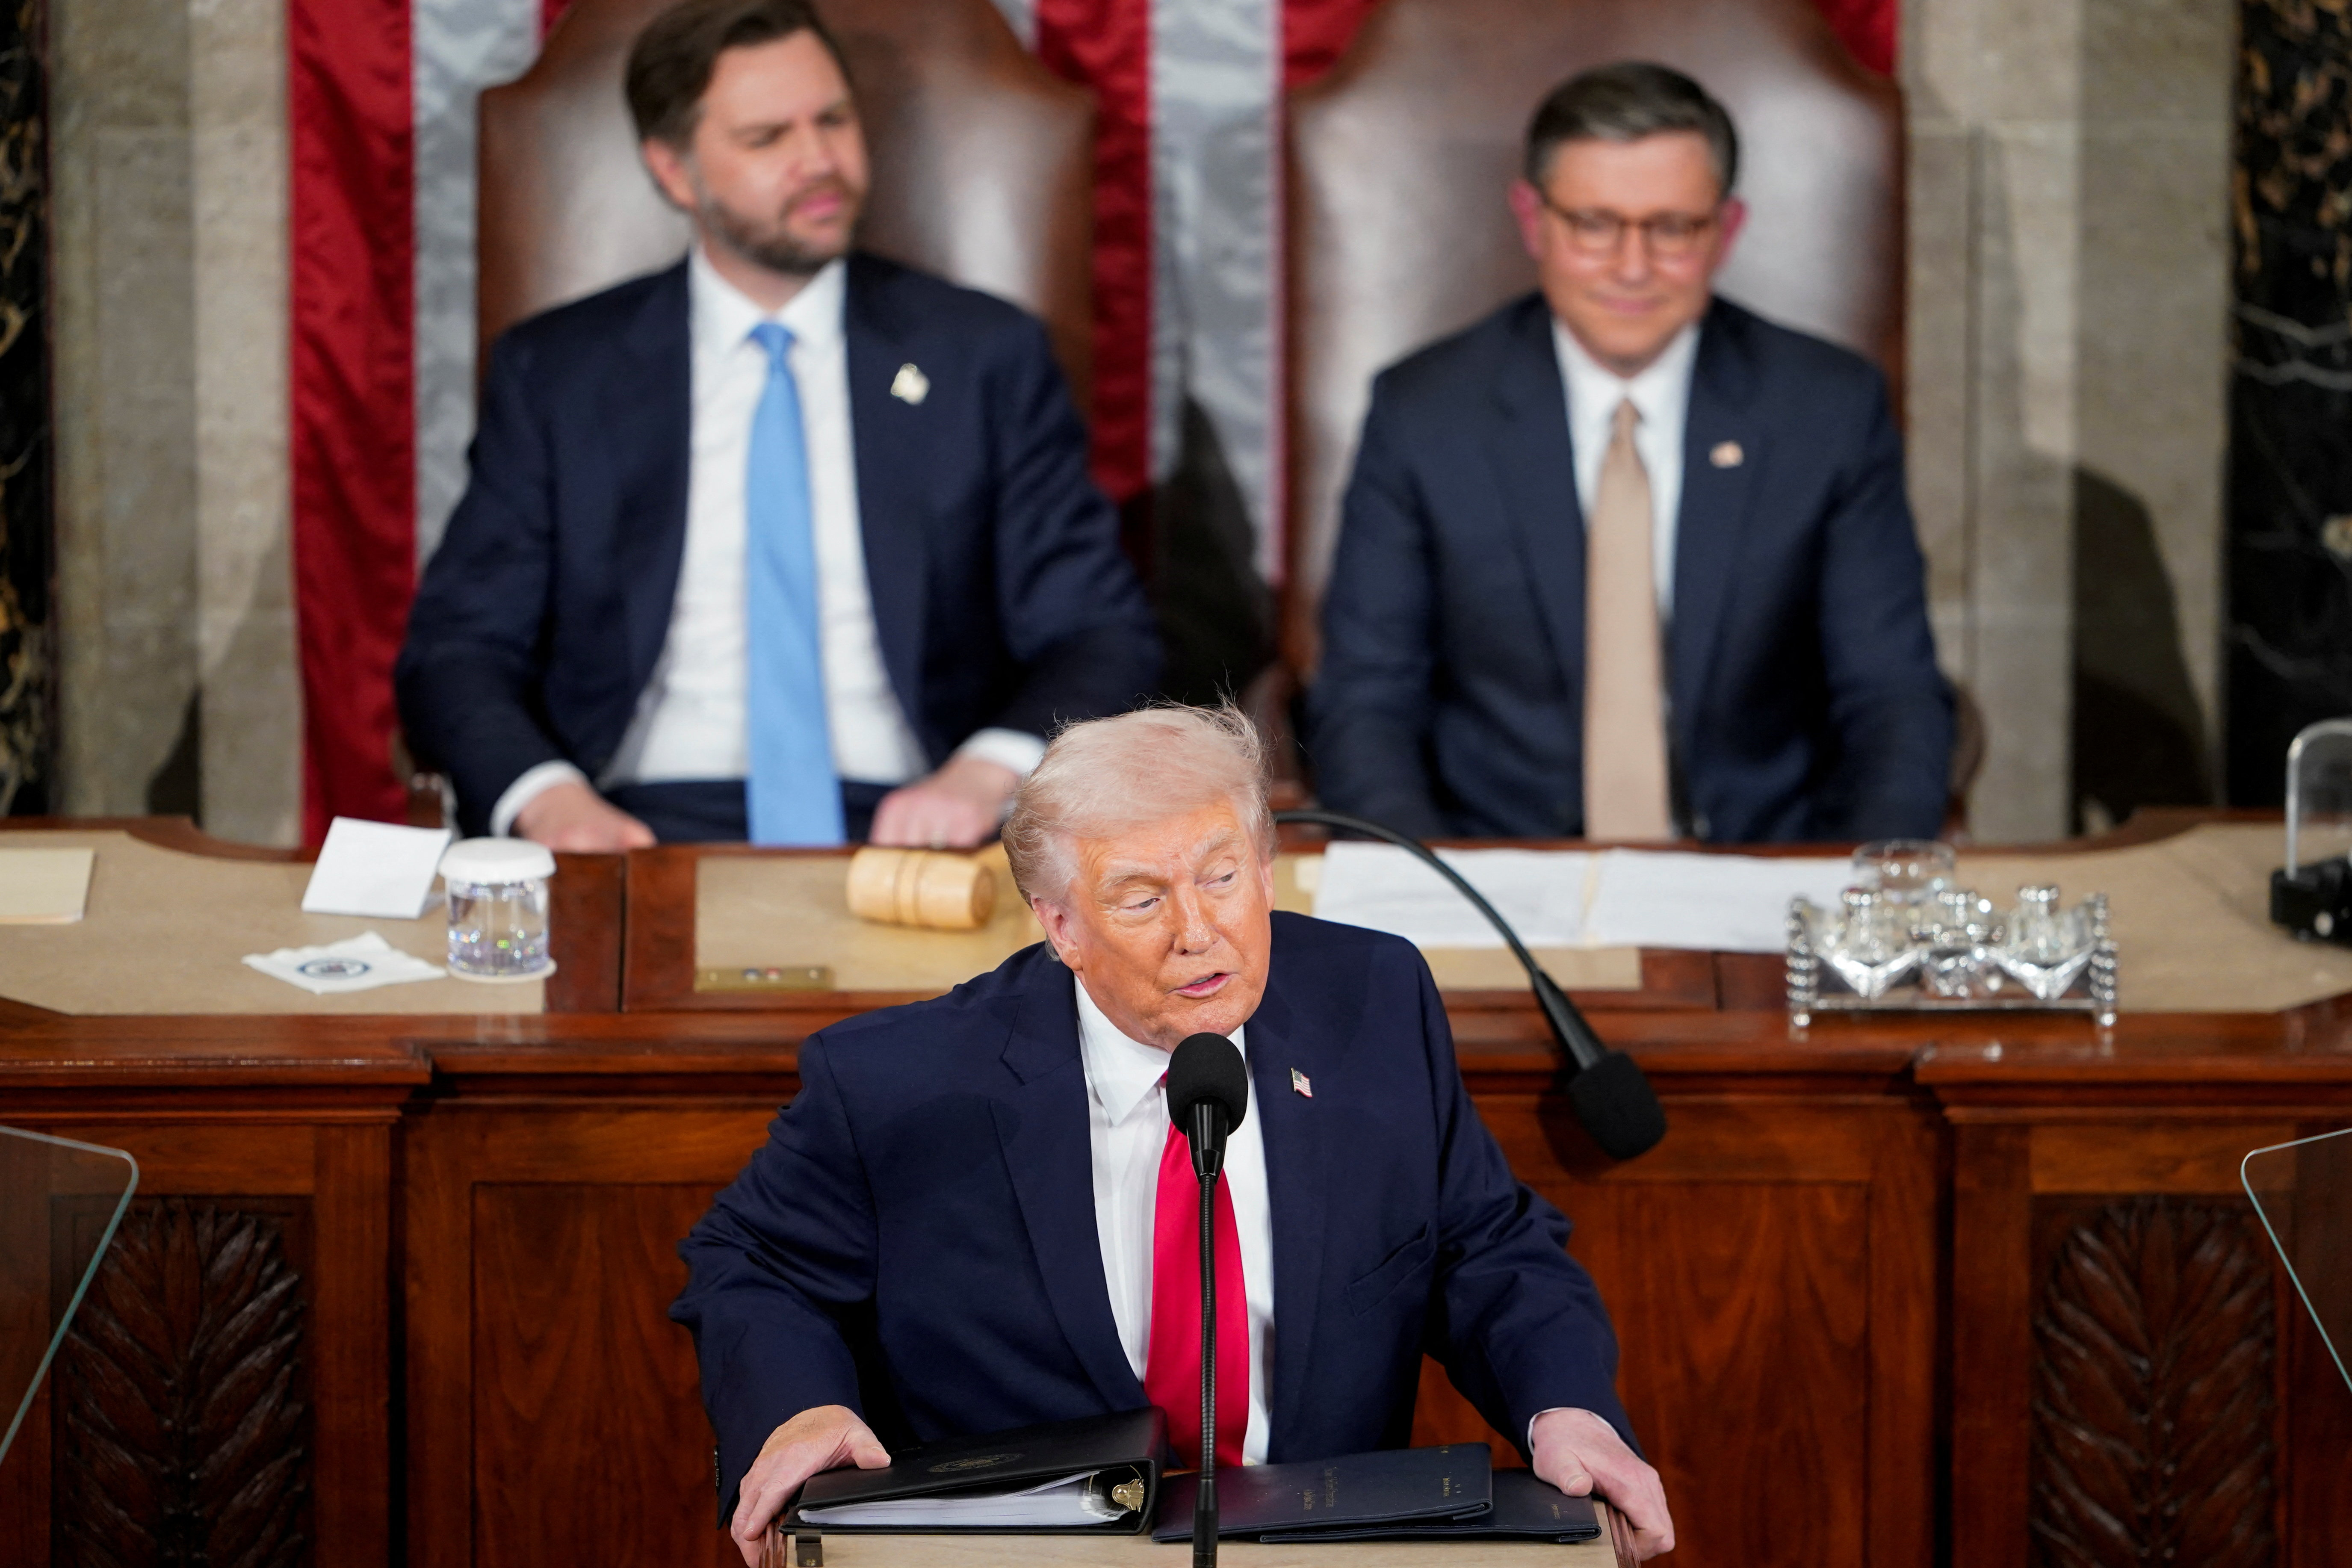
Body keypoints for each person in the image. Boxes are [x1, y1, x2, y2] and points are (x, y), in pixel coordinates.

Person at [671, 703, 1675, 1563]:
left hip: (1321, 1546)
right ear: (1059, 924)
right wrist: (795, 1408)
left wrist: (1565, 1406)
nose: (1198, 931)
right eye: (1141, 897)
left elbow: (1482, 1245)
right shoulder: (899, 1081)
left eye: (1222, 876)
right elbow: (751, 1261)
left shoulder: (1373, 1003)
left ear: (1267, 868)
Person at [396, 0, 1158, 849]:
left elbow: (1098, 631)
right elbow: (459, 648)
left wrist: (986, 773)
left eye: (831, 120)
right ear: (674, 171)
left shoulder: (981, 357)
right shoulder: (560, 375)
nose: (819, 161)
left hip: (919, 823)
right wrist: (548, 801)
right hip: (631, 824)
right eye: (767, 139)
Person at [1307, 62, 1951, 844]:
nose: (1634, 266)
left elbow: (1891, 696)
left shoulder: (1826, 410)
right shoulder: (1426, 414)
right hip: (1498, 868)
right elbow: (1368, 701)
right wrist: (1432, 892)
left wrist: (1867, 896)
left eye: (1673, 228)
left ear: (1727, 230)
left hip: (1761, 869)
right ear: (1533, 222)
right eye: (1595, 224)